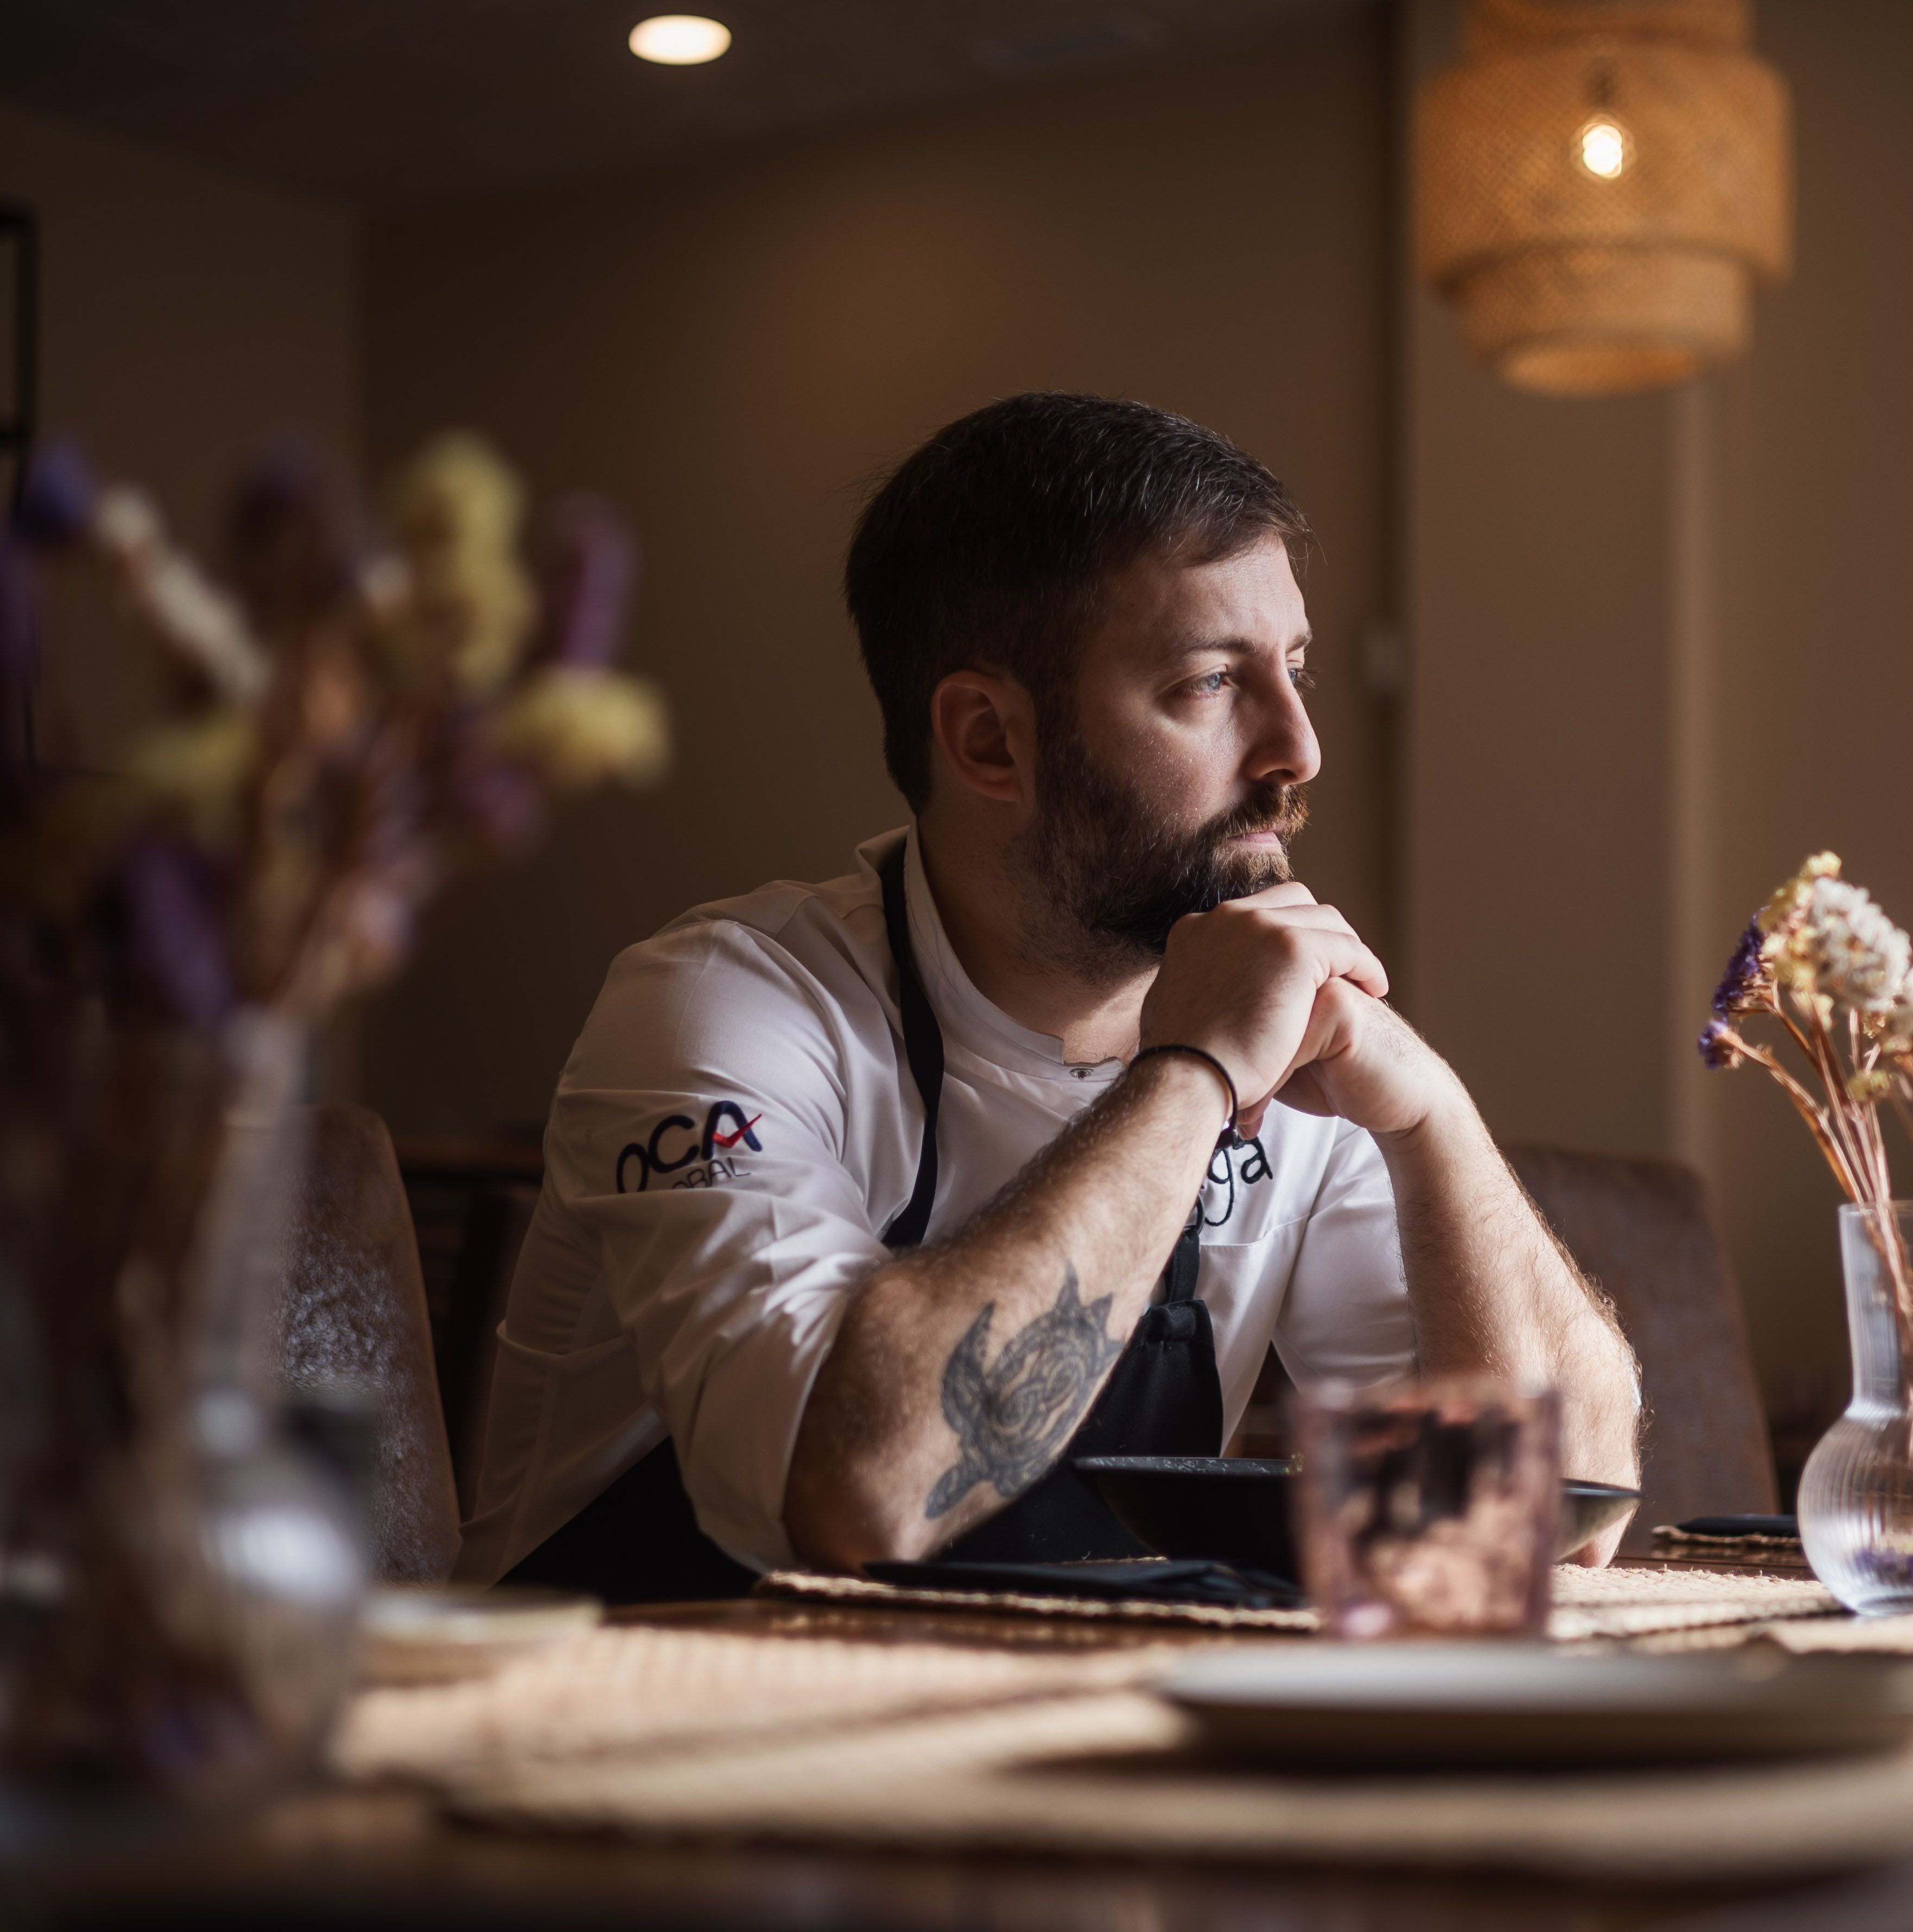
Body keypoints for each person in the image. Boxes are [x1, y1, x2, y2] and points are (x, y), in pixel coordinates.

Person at [456, 393, 1640, 1596]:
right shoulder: (724, 1007)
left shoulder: (1299, 1050)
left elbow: (1556, 1515)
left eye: (1294, 669)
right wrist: (1192, 1076)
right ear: (986, 741)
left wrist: (1431, 1116)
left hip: (1032, 1738)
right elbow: (859, 1494)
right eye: (1208, 684)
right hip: (640, 1742)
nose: (1300, 748)